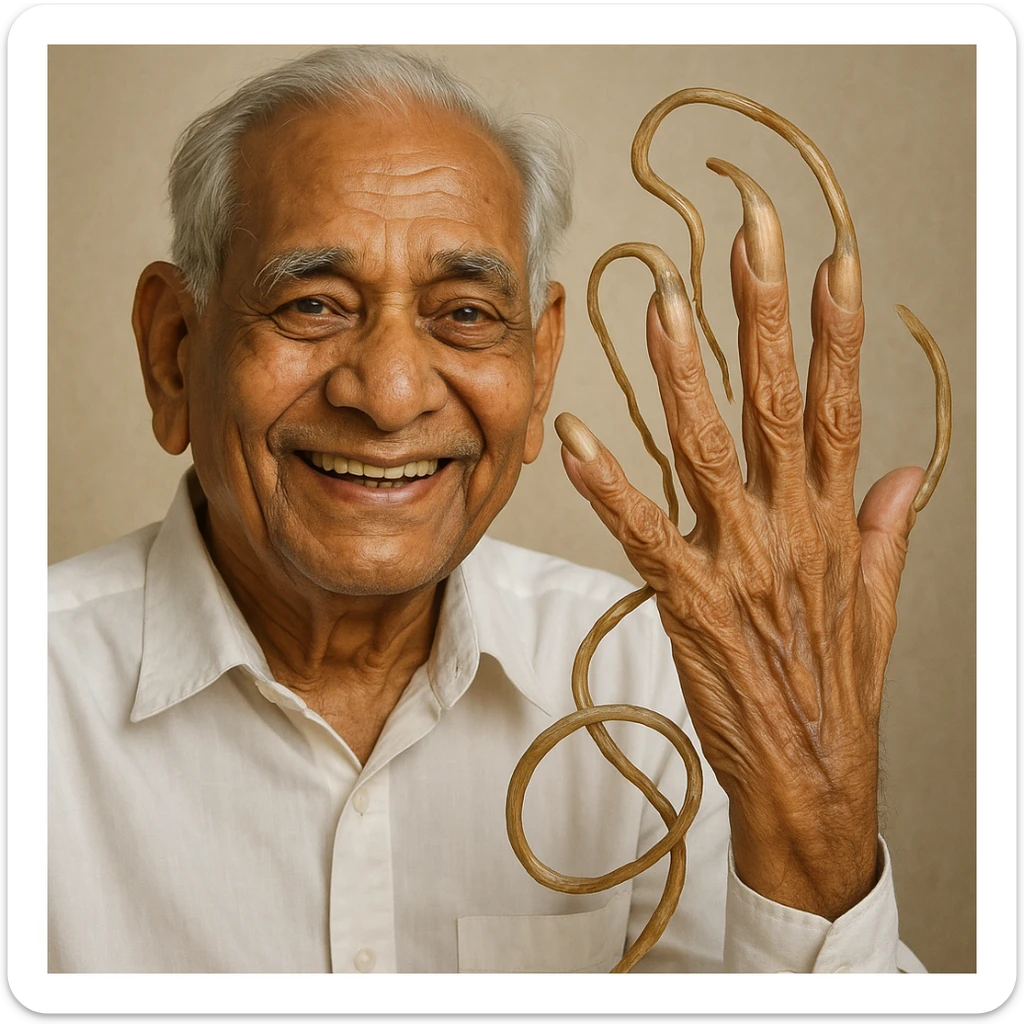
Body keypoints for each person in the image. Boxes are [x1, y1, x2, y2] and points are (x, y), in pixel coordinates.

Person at [48, 46, 928, 973]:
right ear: (174, 352)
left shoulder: (670, 677)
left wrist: (814, 824)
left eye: (465, 314)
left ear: (539, 366)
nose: (389, 395)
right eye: (312, 305)